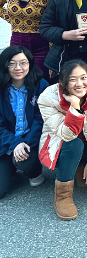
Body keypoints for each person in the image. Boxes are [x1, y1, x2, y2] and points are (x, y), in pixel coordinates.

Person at [38, 59, 87, 220]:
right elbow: (66, 135)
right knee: (74, 144)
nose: (79, 83)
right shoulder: (47, 97)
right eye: (72, 79)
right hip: (61, 146)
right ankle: (63, 196)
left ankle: (81, 165)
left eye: (83, 78)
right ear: (62, 83)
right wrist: (74, 106)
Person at [0, 46, 48, 199]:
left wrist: (25, 143)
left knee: (25, 160)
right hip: (5, 143)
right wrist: (14, 143)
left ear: (30, 64)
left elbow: (42, 119)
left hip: (29, 142)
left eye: (23, 63)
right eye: (12, 63)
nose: (18, 68)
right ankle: (10, 168)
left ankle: (33, 171)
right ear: (4, 65)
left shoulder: (41, 85)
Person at [0, 0, 56, 78]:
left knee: (39, 79)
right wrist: (12, 18)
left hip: (41, 44)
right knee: (18, 80)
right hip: (17, 43)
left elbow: (54, 20)